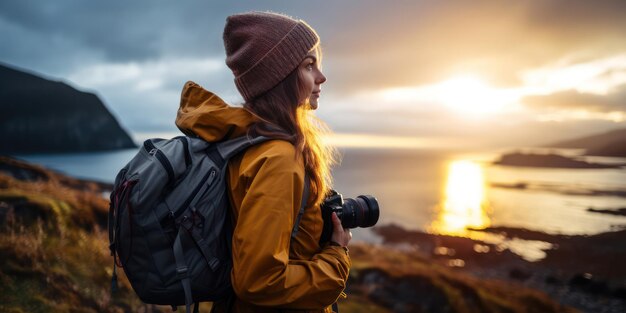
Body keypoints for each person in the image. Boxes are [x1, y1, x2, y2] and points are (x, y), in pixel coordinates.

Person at [175, 11, 352, 313]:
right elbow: (258, 280)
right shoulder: (279, 160)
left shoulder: (245, 142)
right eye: (309, 66)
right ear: (280, 78)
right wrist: (335, 257)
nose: (321, 77)